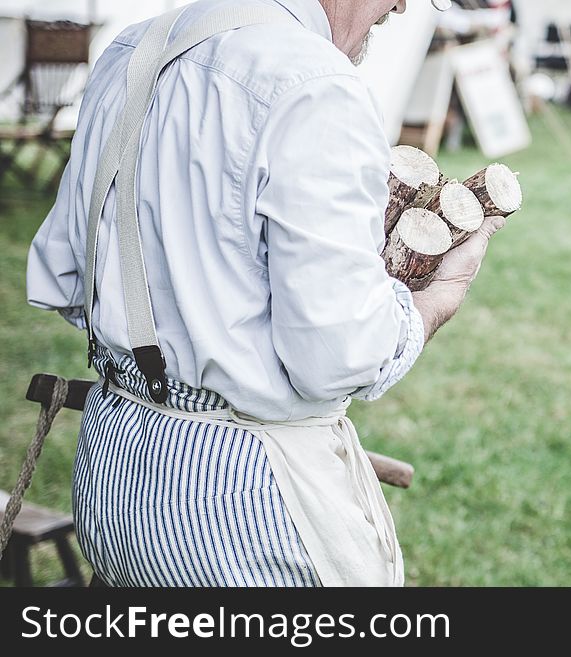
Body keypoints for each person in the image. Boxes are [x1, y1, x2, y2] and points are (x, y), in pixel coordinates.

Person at [26, 0, 502, 587]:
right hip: (235, 503)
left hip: (113, 470)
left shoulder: (134, 46)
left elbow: (70, 274)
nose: (403, 5)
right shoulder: (316, 83)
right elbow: (336, 359)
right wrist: (438, 297)